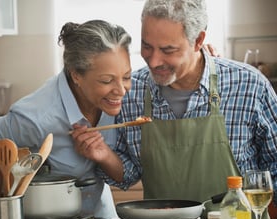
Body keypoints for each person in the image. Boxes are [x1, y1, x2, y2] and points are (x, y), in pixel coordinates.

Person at [97, 0, 277, 208]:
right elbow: (128, 176)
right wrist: (102, 154)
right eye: (147, 46)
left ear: (198, 40)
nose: (153, 61)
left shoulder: (249, 85)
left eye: (168, 50)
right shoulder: (130, 91)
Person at [0, 19, 132, 219]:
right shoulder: (35, 118)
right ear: (76, 76)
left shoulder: (116, 103)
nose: (121, 90)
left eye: (126, 77)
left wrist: (105, 155)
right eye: (106, 80)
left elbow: (125, 175)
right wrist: (10, 183)